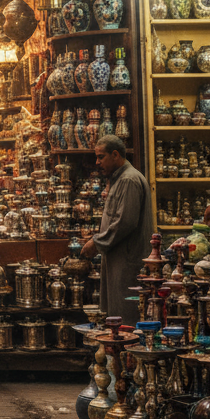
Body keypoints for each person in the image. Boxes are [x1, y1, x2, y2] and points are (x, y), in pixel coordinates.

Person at [83, 135, 151, 326]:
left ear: (115, 154)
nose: (97, 162)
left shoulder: (129, 180)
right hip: (119, 261)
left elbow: (126, 222)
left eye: (101, 157)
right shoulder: (120, 179)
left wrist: (97, 243)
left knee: (125, 317)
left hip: (128, 263)